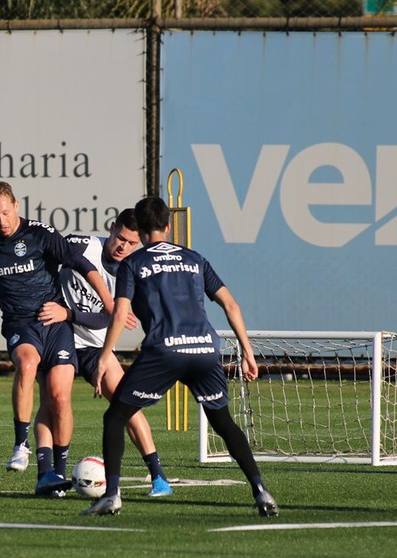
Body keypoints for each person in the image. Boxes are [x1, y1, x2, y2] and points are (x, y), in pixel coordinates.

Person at [82, 195, 279, 517]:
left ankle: (112, 495)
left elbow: (120, 313)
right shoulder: (195, 259)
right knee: (222, 421)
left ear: (141, 230)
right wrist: (247, 351)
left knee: (115, 417)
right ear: (169, 226)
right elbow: (230, 304)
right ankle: (260, 490)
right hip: (205, 349)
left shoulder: (134, 263)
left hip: (165, 350)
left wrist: (106, 356)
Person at [0, 181, 115, 496]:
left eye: (6, 212)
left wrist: (108, 302)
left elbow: (84, 265)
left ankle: (55, 475)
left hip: (55, 324)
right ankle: (21, 445)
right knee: (27, 362)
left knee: (60, 398)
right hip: (20, 324)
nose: (2, 221)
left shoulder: (41, 234)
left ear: (16, 206)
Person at [34, 209, 173, 497]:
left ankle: (158, 477)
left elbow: (108, 317)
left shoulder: (133, 269)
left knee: (127, 404)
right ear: (111, 228)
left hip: (97, 345)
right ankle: (50, 475)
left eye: (132, 243)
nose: (123, 246)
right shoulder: (84, 245)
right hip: (58, 335)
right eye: (120, 238)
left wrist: (69, 313)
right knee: (52, 401)